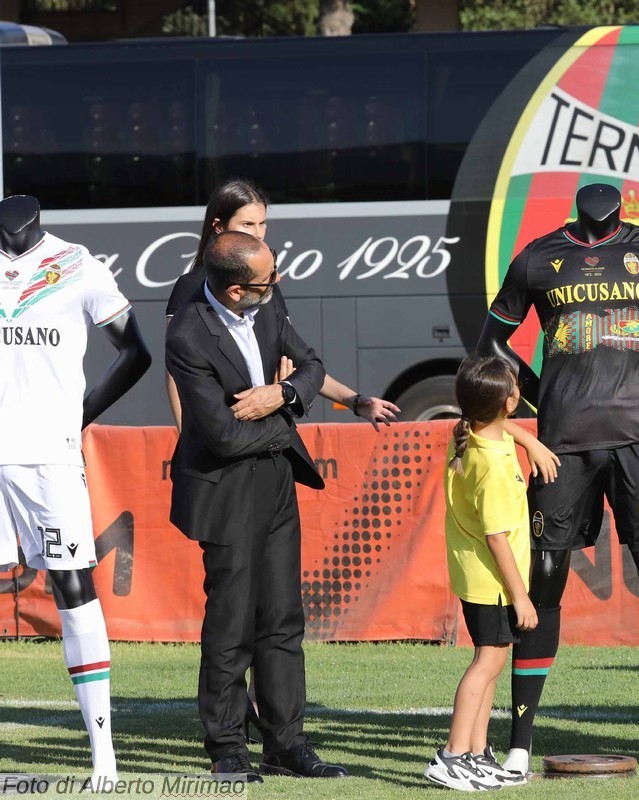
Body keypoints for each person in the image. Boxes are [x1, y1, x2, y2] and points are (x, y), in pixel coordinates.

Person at [477, 182, 639, 776]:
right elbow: (491, 343)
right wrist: (547, 401)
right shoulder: (537, 257)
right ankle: (518, 745)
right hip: (560, 450)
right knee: (544, 579)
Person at [165, 231, 346, 782]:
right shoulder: (188, 335)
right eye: (269, 278)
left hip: (274, 481)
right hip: (225, 491)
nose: (279, 283)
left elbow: (311, 367)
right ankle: (227, 747)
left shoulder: (268, 304)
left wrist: (280, 397)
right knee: (231, 621)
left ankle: (286, 743)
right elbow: (219, 434)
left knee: (282, 618)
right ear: (238, 289)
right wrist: (285, 425)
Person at [0, 194, 151, 788]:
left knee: (73, 590)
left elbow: (136, 352)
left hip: (49, 461)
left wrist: (79, 415)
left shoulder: (79, 266)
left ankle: (103, 755)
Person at [165, 178, 399, 430]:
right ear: (219, 227)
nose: (257, 233)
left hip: (272, 434)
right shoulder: (192, 286)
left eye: (262, 224)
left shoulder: (264, 287)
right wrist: (188, 441)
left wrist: (354, 401)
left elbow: (301, 361)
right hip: (225, 438)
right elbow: (176, 376)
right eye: (247, 224)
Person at [424, 355, 538, 792]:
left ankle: (474, 753)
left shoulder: (479, 436)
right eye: (514, 386)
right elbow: (497, 538)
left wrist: (532, 444)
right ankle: (451, 756)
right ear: (509, 403)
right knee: (486, 662)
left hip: (482, 579)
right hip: (492, 581)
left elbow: (504, 428)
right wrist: (521, 596)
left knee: (493, 662)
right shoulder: (489, 463)